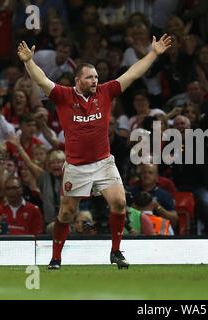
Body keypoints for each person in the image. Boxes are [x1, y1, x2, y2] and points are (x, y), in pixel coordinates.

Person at [17, 33, 171, 269]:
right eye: (90, 77)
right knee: (66, 214)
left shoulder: (106, 92)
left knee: (119, 202)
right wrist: (29, 62)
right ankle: (56, 257)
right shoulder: (63, 95)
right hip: (76, 166)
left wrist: (153, 53)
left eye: (96, 77)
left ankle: (116, 251)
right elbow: (42, 81)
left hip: (103, 163)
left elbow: (132, 73)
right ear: (77, 80)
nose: (95, 81)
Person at [127, 163, 178, 228]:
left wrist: (158, 207)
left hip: (157, 231)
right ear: (140, 176)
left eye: (150, 173)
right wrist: (133, 207)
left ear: (157, 177)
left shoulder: (164, 195)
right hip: (133, 230)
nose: (146, 175)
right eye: (144, 172)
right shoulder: (131, 192)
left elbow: (174, 221)